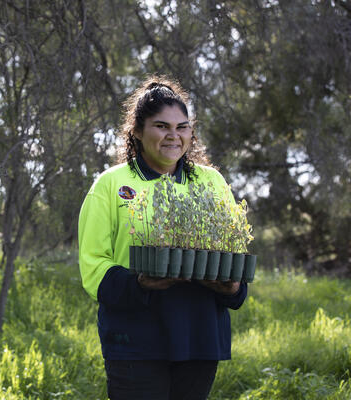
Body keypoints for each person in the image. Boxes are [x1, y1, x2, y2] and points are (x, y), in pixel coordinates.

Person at [78, 76, 248, 400]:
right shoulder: (111, 185)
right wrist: (139, 283)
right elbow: (93, 265)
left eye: (182, 127)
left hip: (199, 338)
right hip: (135, 341)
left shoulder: (211, 182)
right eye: (161, 126)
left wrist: (234, 288)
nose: (174, 136)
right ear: (138, 131)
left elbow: (233, 254)